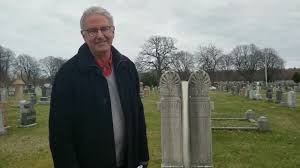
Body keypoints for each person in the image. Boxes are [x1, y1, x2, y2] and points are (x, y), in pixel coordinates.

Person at [49, 6, 149, 168]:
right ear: (83, 35)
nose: (100, 35)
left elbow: (138, 115)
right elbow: (60, 135)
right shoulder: (67, 75)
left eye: (105, 29)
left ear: (113, 31)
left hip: (128, 161)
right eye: (92, 31)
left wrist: (143, 158)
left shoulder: (127, 67)